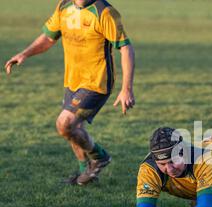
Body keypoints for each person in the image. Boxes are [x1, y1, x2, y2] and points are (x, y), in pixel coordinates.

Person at [4, 0, 135, 185]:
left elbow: (126, 48)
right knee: (74, 129)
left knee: (64, 124)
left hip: (96, 82)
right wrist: (25, 54)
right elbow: (49, 37)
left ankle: (100, 157)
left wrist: (126, 89)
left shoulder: (104, 12)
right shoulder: (63, 6)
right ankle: (85, 174)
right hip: (72, 81)